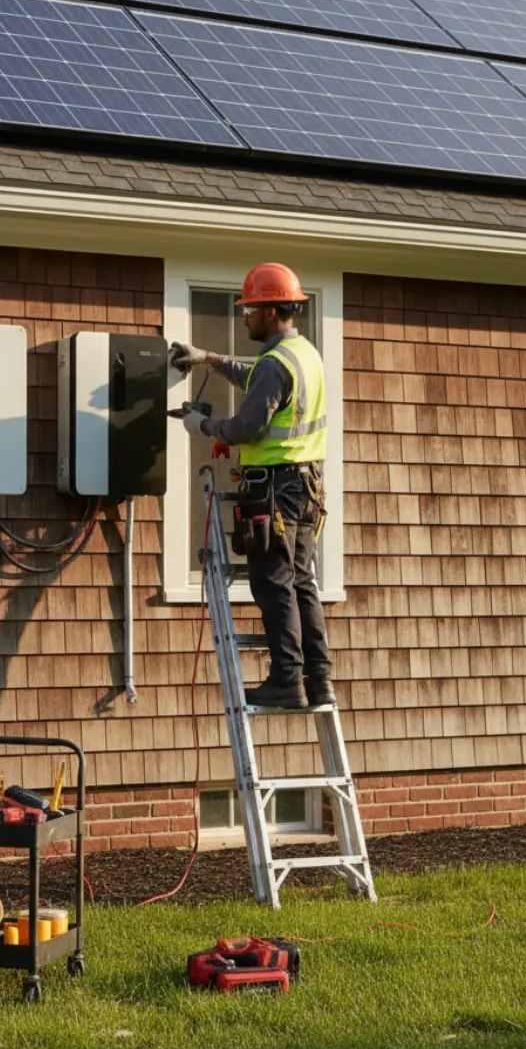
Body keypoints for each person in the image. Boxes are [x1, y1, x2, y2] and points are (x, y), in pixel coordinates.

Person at [169, 262, 335, 712]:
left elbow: (246, 426)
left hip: (277, 488)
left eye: (250, 310)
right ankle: (317, 680)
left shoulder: (276, 364)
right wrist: (208, 358)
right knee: (302, 582)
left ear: (270, 311)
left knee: (273, 582)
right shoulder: (303, 354)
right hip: (305, 488)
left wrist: (201, 425)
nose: (244, 317)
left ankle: (285, 679)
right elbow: (256, 377)